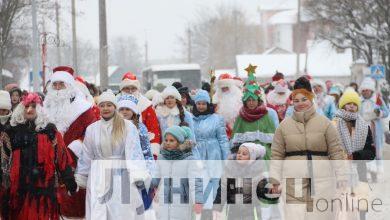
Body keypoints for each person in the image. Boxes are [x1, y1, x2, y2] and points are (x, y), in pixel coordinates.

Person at [270, 76, 346, 220]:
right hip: (292, 178)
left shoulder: (325, 124)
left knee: (320, 215)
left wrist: (341, 175)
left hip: (321, 178)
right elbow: (277, 154)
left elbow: (336, 151)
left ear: (311, 99)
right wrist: (274, 179)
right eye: (296, 101)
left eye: (304, 99)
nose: (300, 104)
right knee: (294, 215)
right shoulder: (284, 126)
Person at [75, 90, 148, 220]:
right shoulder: (92, 129)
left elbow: (134, 151)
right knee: (99, 211)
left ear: (115, 107)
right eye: (102, 105)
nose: (105, 108)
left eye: (109, 105)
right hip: (98, 175)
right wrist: (82, 175)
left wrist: (137, 172)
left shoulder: (127, 126)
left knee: (120, 211)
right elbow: (86, 154)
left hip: (121, 174)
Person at [9, 93, 78, 220]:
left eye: (33, 106)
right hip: (19, 190)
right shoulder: (12, 131)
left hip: (43, 190)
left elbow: (61, 158)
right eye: (26, 106)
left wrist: (70, 182)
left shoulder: (49, 131)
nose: (29, 109)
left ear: (39, 109)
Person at [43, 65, 98, 218]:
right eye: (55, 84)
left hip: (75, 162)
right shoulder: (44, 108)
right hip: (47, 164)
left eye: (62, 84)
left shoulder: (84, 109)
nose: (58, 88)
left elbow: (91, 133)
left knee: (73, 207)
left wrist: (73, 149)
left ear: (69, 86)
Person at [333, 89, 375, 220]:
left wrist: (355, 156)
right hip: (339, 171)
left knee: (361, 202)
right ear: (343, 105)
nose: (351, 106)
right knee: (340, 205)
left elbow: (371, 152)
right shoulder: (333, 124)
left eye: (354, 103)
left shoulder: (364, 126)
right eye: (348, 103)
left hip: (359, 169)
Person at [192, 89, 230, 219]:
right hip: (198, 155)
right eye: (199, 103)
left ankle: (216, 213)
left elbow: (223, 139)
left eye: (204, 103)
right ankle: (204, 214)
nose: (201, 106)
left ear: (208, 104)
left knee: (214, 185)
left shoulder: (217, 119)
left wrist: (226, 158)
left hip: (214, 154)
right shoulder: (192, 119)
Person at [154, 125, 203, 220]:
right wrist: (154, 188)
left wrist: (198, 200)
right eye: (166, 140)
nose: (168, 143)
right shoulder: (162, 158)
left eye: (172, 140)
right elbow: (157, 175)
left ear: (179, 142)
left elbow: (195, 181)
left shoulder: (189, 159)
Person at [231, 65, 275, 160]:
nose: (251, 103)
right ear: (245, 101)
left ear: (258, 100)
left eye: (253, 100)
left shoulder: (265, 115)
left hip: (263, 154)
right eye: (248, 100)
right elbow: (235, 140)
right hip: (245, 155)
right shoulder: (241, 116)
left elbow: (273, 139)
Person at [213, 143, 266, 220]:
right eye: (239, 153)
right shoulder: (230, 172)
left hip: (251, 211)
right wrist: (217, 207)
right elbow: (222, 191)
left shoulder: (257, 175)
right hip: (233, 210)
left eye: (244, 154)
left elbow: (263, 194)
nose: (240, 155)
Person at [118, 72, 161, 157]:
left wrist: (153, 154)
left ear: (137, 89)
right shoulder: (114, 103)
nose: (130, 91)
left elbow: (153, 130)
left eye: (133, 88)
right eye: (127, 88)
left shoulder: (146, 105)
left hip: (141, 152)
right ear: (122, 89)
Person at [359, 77, 389, 178]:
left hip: (376, 129)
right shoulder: (359, 101)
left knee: (377, 151)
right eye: (363, 90)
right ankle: (368, 172)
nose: (365, 92)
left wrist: (379, 113)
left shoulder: (377, 99)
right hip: (364, 130)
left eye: (366, 90)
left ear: (371, 90)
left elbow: (386, 112)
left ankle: (376, 173)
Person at [212, 73, 243, 139]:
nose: (224, 90)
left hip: (237, 131)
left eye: (226, 87)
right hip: (222, 133)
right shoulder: (216, 102)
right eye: (222, 88)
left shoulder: (239, 99)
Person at [0, 90, 13, 219]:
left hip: (9, 169)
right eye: (0, 110)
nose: (2, 113)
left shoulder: (13, 124)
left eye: (4, 110)